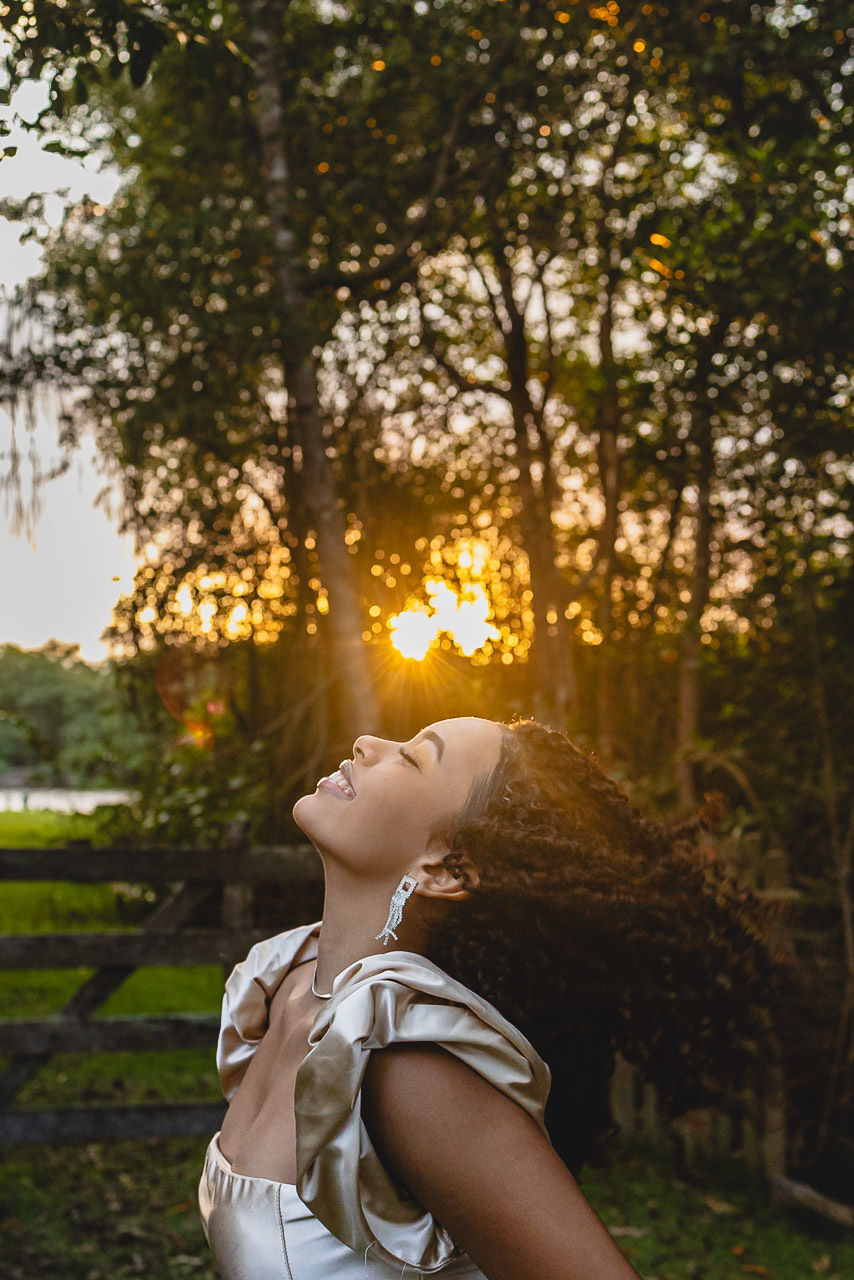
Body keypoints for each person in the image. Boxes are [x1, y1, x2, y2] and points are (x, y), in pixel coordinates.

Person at [198, 716, 777, 1279]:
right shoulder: (288, 984)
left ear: (446, 871)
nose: (368, 743)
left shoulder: (405, 1065)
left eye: (414, 757)